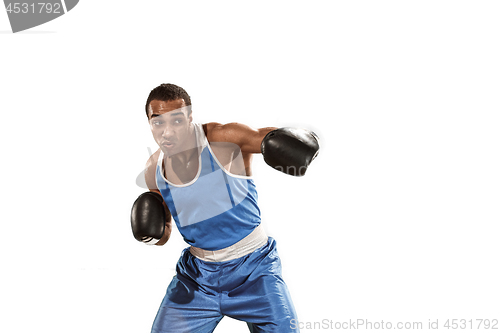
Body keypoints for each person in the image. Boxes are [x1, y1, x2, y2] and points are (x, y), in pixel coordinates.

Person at [131, 83, 319, 333]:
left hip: (255, 270)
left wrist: (291, 141)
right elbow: (164, 234)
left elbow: (262, 137)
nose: (167, 132)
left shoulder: (223, 140)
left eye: (176, 121)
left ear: (189, 117)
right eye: (158, 123)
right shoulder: (155, 169)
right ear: (149, 123)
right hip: (197, 279)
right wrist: (152, 234)